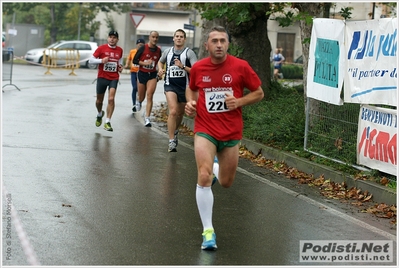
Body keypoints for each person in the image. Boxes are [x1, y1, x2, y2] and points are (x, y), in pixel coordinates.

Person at [185, 26, 264, 250]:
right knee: (203, 175)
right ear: (206, 45)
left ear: (228, 44)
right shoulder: (199, 68)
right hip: (205, 129)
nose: (219, 44)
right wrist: (191, 103)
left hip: (230, 132)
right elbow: (191, 90)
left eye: (223, 41)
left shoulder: (241, 67)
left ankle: (217, 170)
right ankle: (208, 232)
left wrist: (239, 102)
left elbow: (259, 93)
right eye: (215, 41)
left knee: (227, 183)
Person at [157, 29, 198, 152]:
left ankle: (175, 131)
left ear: (184, 39)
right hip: (170, 85)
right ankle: (171, 141)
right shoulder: (167, 52)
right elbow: (160, 62)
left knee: (180, 113)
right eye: (177, 36)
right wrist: (160, 69)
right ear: (173, 38)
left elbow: (196, 71)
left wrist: (183, 67)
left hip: (185, 87)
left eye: (181, 36)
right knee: (173, 111)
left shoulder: (189, 53)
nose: (179, 38)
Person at [89, 30, 124, 132]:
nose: (112, 39)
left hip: (113, 78)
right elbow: (91, 60)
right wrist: (101, 61)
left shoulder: (120, 50)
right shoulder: (101, 48)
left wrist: (120, 68)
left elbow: (119, 62)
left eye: (114, 37)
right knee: (99, 101)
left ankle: (107, 121)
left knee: (111, 99)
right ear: (108, 38)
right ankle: (100, 114)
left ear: (117, 39)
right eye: (110, 37)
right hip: (102, 77)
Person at [133, 31, 162, 127]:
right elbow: (135, 60)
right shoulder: (143, 48)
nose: (155, 39)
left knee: (150, 95)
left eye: (157, 37)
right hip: (142, 74)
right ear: (149, 37)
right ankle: (139, 101)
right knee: (142, 96)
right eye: (153, 37)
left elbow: (159, 62)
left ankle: (147, 118)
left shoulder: (158, 50)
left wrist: (160, 71)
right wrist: (145, 63)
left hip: (152, 75)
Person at [124, 38, 145, 113]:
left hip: (141, 72)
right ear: (136, 45)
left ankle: (139, 102)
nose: (140, 46)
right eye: (139, 45)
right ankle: (134, 104)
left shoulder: (144, 52)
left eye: (142, 45)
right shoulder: (132, 51)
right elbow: (129, 59)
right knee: (134, 87)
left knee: (140, 89)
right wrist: (126, 64)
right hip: (133, 72)